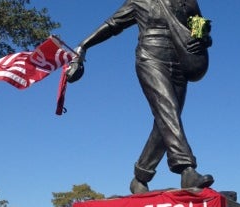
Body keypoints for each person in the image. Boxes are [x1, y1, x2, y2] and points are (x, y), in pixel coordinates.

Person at [66, 0, 214, 194]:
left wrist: (203, 40)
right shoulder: (139, 1)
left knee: (167, 120)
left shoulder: (189, 2)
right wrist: (82, 47)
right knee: (167, 110)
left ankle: (140, 177)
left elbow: (200, 29)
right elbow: (112, 25)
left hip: (181, 60)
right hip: (151, 57)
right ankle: (187, 169)